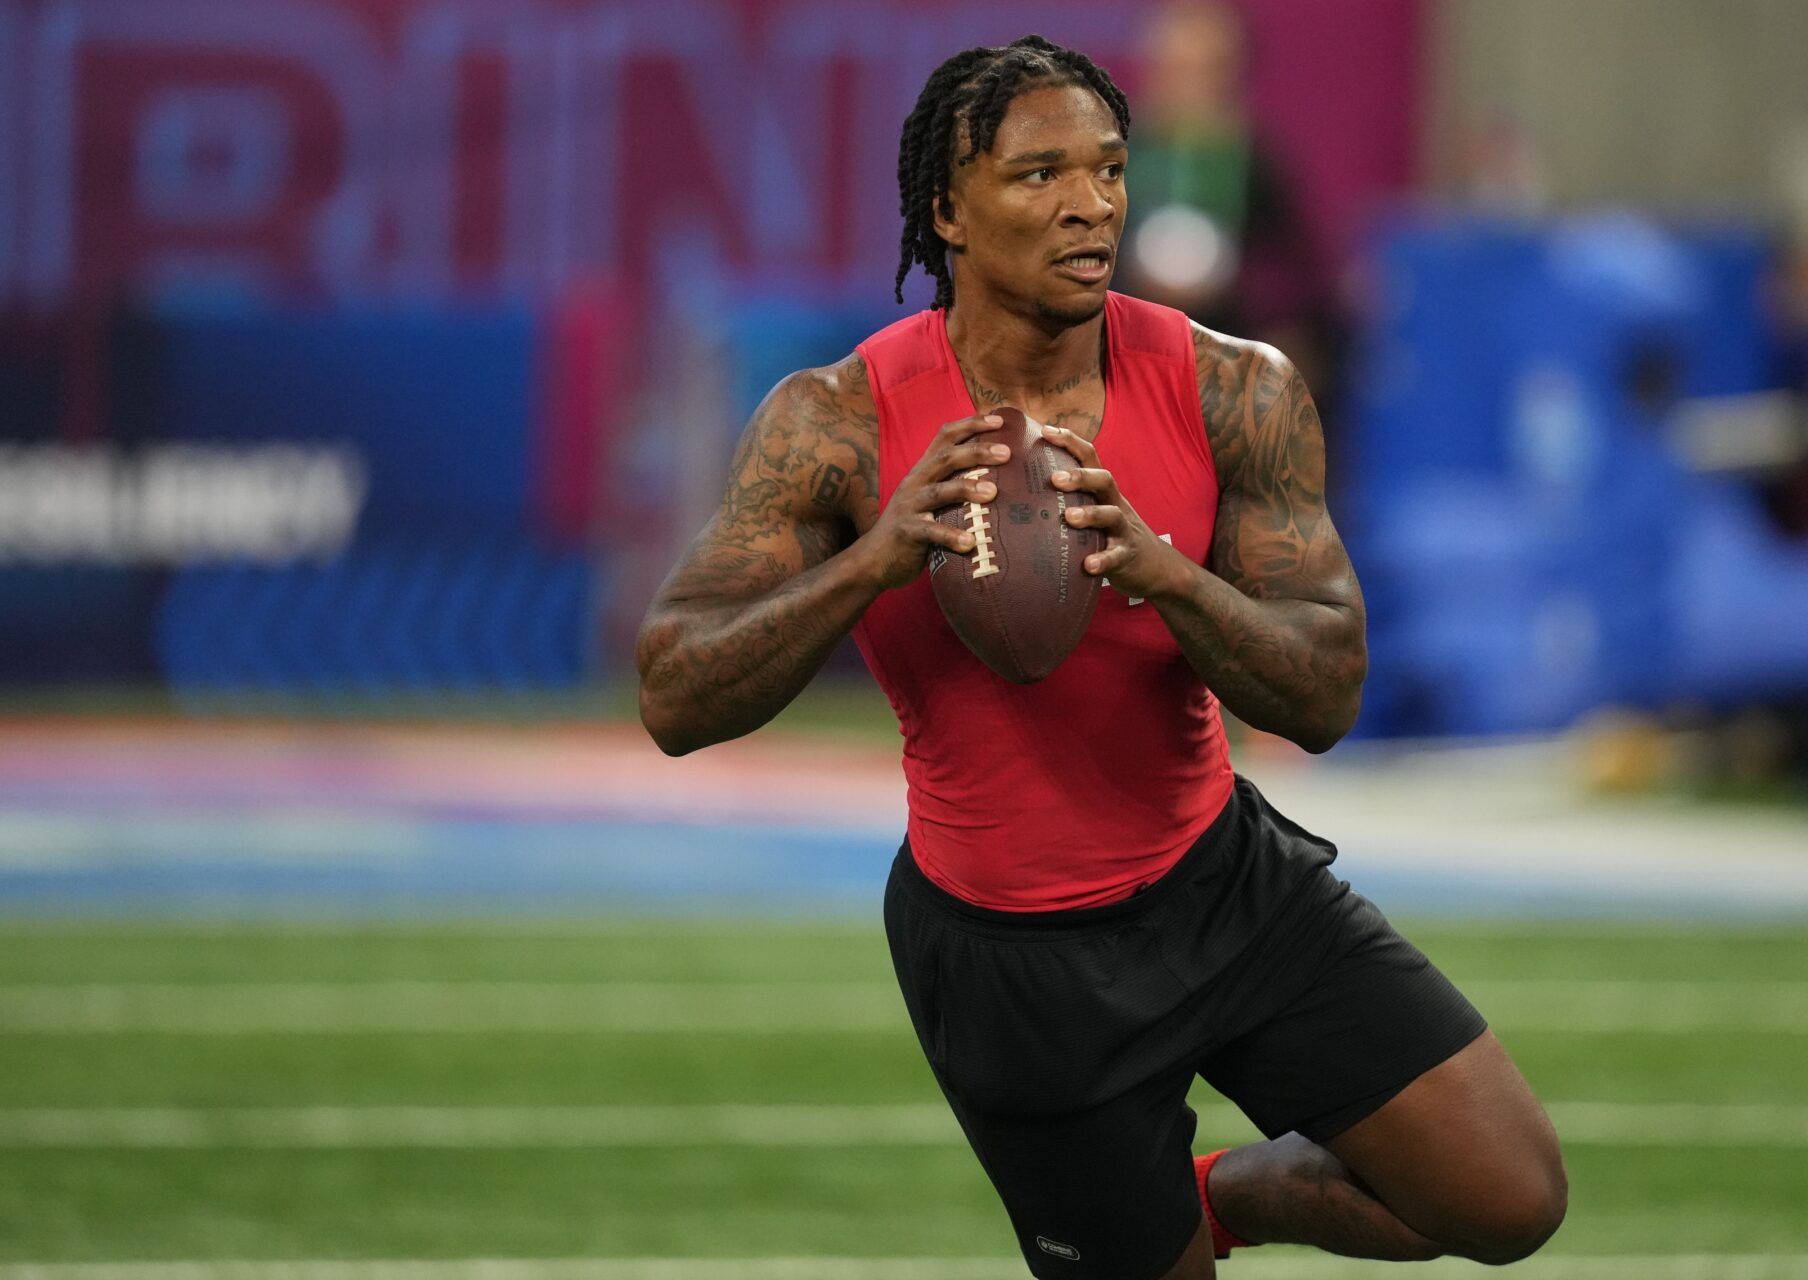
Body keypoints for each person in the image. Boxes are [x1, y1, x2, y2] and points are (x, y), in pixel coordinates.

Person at [636, 34, 1566, 1280]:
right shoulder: (839, 420)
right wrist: (870, 560)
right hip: (1010, 956)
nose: (1090, 206)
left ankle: (1225, 1193)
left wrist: (1168, 572)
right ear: (944, 211)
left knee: (1510, 1196)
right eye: (1037, 176)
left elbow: (1330, 688)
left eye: (1111, 169)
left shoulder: (1236, 387)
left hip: (1226, 884)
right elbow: (673, 693)